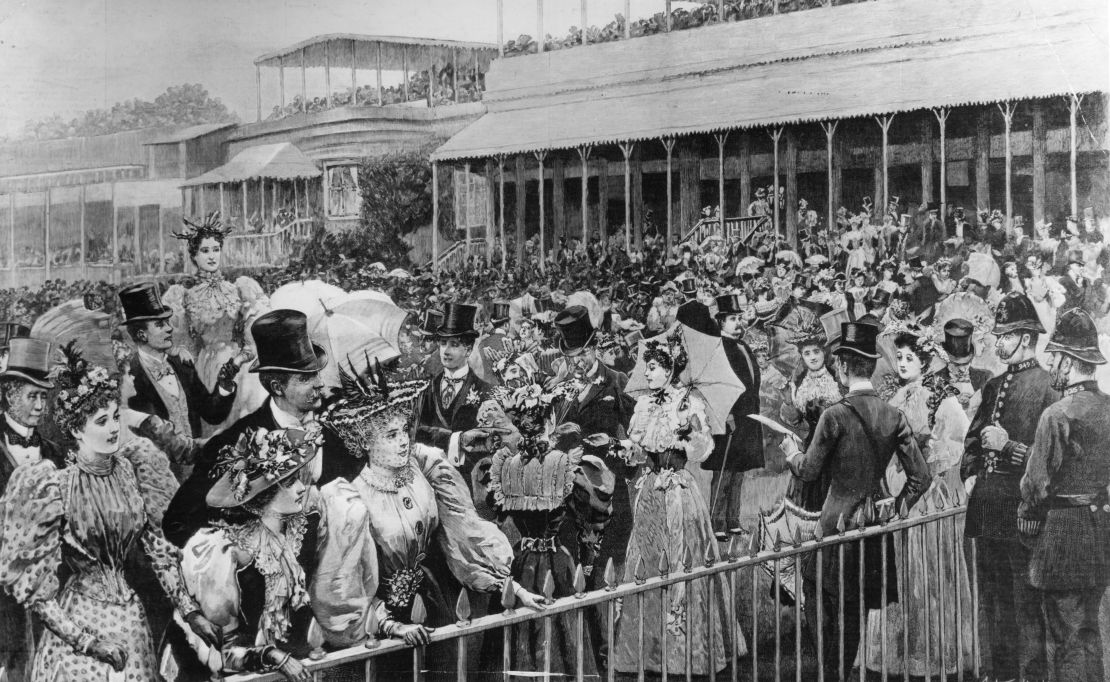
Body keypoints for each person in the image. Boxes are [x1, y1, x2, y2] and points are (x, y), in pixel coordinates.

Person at [0, 353, 218, 682]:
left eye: (116, 417)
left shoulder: (128, 471)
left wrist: (189, 609)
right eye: (101, 422)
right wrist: (85, 641)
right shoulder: (54, 485)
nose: (115, 428)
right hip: (80, 621)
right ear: (76, 429)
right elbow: (38, 594)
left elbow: (152, 546)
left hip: (131, 619)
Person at [320, 366, 544, 677]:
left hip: (441, 600)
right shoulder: (350, 501)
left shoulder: (425, 466)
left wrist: (515, 589)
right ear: (366, 443)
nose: (403, 441)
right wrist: (390, 625)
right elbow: (346, 586)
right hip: (388, 620)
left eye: (403, 431)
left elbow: (466, 533)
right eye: (390, 435)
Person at [779, 321, 930, 680]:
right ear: (871, 366)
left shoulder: (834, 415)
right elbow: (921, 478)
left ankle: (831, 672)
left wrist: (790, 454)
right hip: (874, 522)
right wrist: (896, 506)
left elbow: (810, 471)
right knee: (856, 604)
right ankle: (843, 671)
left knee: (822, 596)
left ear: (844, 366)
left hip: (835, 521)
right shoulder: (893, 414)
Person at [162, 309, 362, 547]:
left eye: (316, 373)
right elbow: (178, 524)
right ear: (277, 387)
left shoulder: (337, 423)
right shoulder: (235, 443)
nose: (320, 384)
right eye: (305, 379)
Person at [612, 330, 744, 675]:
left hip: (679, 491)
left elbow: (703, 451)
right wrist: (631, 452)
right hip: (649, 491)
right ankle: (647, 653)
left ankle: (686, 652)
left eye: (654, 367)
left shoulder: (687, 403)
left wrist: (689, 432)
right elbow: (641, 449)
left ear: (671, 369)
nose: (649, 372)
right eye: (647, 366)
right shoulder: (642, 406)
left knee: (682, 558)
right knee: (646, 559)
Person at [862, 326, 976, 677]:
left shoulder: (941, 397)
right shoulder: (894, 398)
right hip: (899, 486)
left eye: (910, 358)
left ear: (925, 362)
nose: (903, 364)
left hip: (930, 495)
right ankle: (899, 653)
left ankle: (933, 654)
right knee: (901, 570)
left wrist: (927, 449)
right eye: (899, 358)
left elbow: (959, 445)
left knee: (928, 572)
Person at [478, 383, 614, 676]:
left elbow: (497, 511)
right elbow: (591, 515)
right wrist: (588, 560)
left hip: (521, 559)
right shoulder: (563, 465)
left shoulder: (506, 464)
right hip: (556, 559)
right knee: (564, 628)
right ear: (549, 422)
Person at [961, 292, 1058, 682]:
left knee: (1024, 604)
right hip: (986, 508)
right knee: (991, 601)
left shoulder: (1049, 386)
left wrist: (1009, 450)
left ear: (1024, 337)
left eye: (1005, 335)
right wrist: (969, 475)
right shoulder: (992, 385)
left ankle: (1030, 676)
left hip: (1022, 511)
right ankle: (997, 674)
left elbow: (1052, 459)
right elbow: (971, 443)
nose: (996, 342)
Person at [1019, 308, 1110, 682]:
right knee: (1089, 630)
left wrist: (1026, 512)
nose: (1051, 365)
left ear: (1068, 361)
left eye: (1054, 358)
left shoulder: (1057, 415)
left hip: (1062, 537)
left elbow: (1034, 485)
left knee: (1066, 638)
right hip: (1101, 532)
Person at [120, 281, 239, 481]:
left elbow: (212, 414)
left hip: (198, 473)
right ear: (141, 334)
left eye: (167, 322)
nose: (169, 329)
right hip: (158, 477)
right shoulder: (128, 377)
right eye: (160, 325)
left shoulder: (182, 365)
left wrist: (225, 384)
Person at [163, 212, 270, 432]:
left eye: (215, 249)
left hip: (239, 363)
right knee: (217, 426)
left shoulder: (239, 289)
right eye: (205, 251)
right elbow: (184, 345)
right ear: (194, 256)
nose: (212, 256)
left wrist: (241, 358)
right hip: (208, 367)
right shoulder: (185, 295)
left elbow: (252, 335)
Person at [0, 339, 65, 682]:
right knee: (16, 662)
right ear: (10, 396)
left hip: (51, 580)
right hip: (4, 584)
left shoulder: (54, 452)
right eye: (33, 396)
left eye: (44, 396)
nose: (41, 405)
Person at [412, 303, 498, 478]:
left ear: (468, 349)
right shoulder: (426, 388)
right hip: (428, 477)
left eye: (454, 344)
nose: (446, 351)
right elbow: (417, 432)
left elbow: (488, 443)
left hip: (467, 480)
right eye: (443, 343)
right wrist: (457, 440)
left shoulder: (485, 391)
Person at [705, 293, 763, 531]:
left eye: (739, 318)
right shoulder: (717, 348)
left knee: (739, 470)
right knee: (724, 472)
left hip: (747, 417)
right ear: (720, 322)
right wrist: (726, 416)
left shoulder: (743, 345)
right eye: (732, 318)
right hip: (728, 420)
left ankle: (733, 520)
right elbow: (714, 387)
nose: (738, 322)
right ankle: (717, 522)